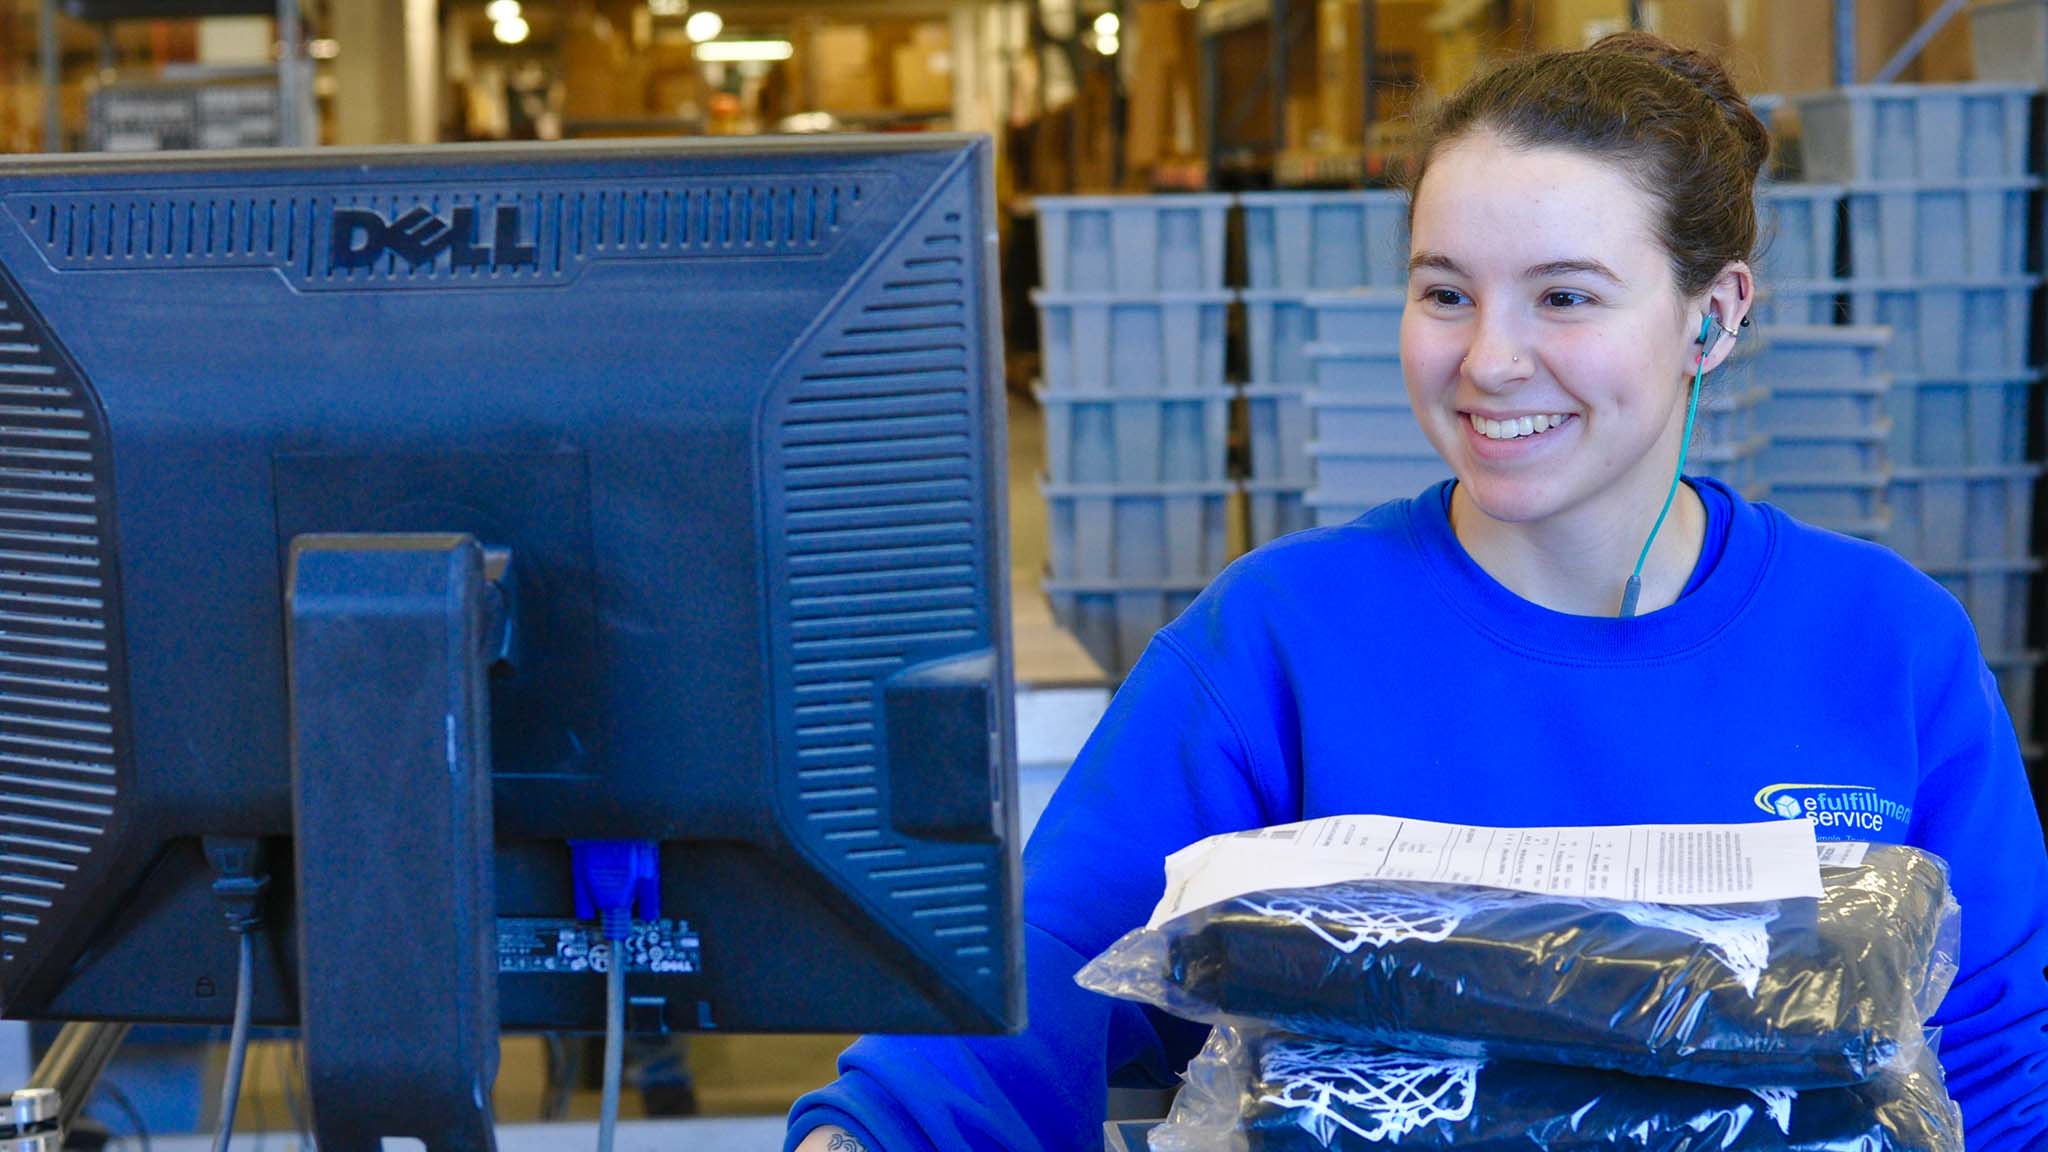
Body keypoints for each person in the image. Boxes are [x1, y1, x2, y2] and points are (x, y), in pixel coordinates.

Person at [785, 32, 2048, 1152]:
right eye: (1444, 292)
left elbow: (1994, 1061)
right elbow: (1040, 975)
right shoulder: (1277, 640)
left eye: (1564, 296)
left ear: (1710, 319)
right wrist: (863, 1135)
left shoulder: (1884, 647)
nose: (1489, 361)